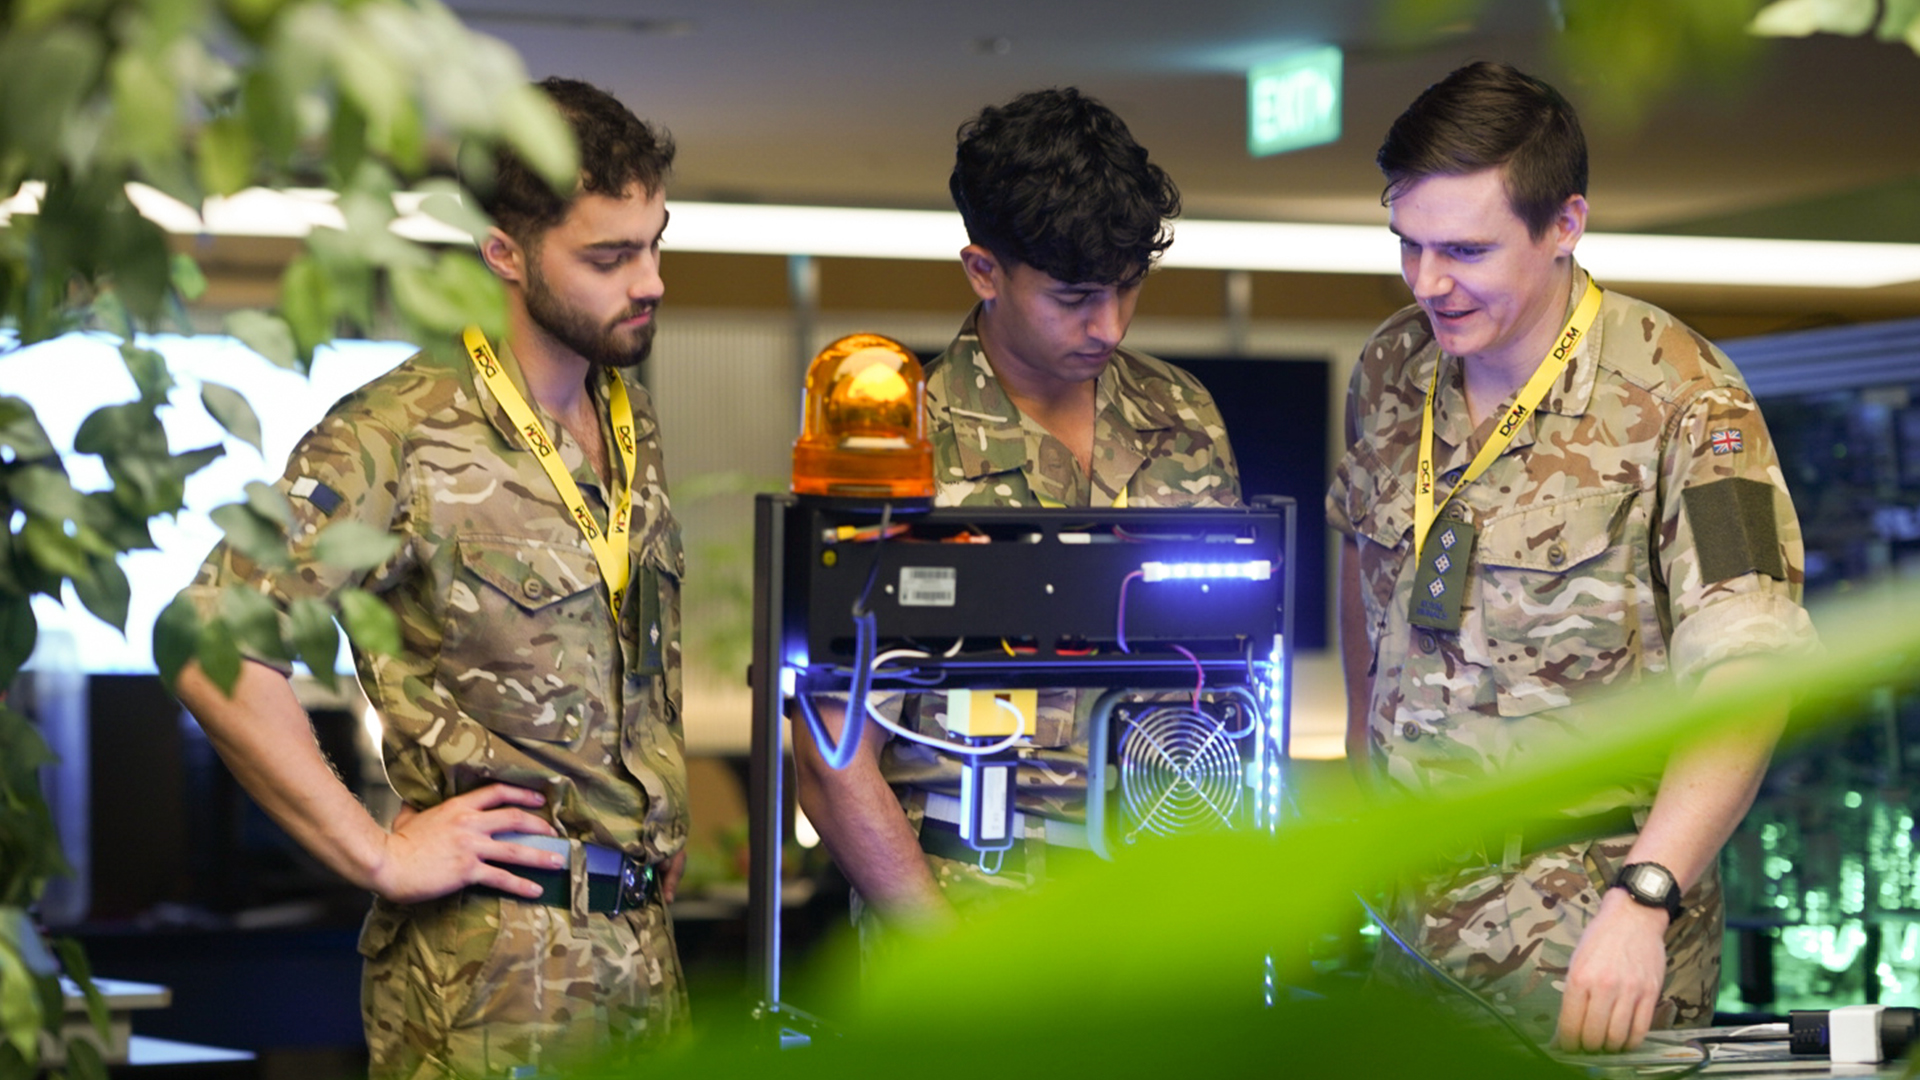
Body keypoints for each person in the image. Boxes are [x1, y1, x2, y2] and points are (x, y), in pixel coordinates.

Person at [172, 78, 689, 1077]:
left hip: (642, 959)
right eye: (610, 256)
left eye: (657, 242)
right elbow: (210, 643)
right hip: (490, 979)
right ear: (503, 251)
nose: (652, 280)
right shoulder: (391, 435)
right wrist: (377, 853)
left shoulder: (627, 421)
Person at [1328, 61, 1816, 1053]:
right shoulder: (1390, 368)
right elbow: (1365, 569)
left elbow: (1750, 672)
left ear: (1565, 225)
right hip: (1401, 922)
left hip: (1590, 930)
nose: (1428, 282)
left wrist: (1648, 895)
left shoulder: (1685, 397)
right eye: (1408, 245)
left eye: (1464, 249)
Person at [792, 87, 1241, 948]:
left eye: (1127, 288)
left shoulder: (1183, 417)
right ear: (983, 271)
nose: (1107, 326)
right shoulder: (898, 440)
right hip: (970, 905)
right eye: (1074, 296)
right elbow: (829, 761)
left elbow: (1224, 682)